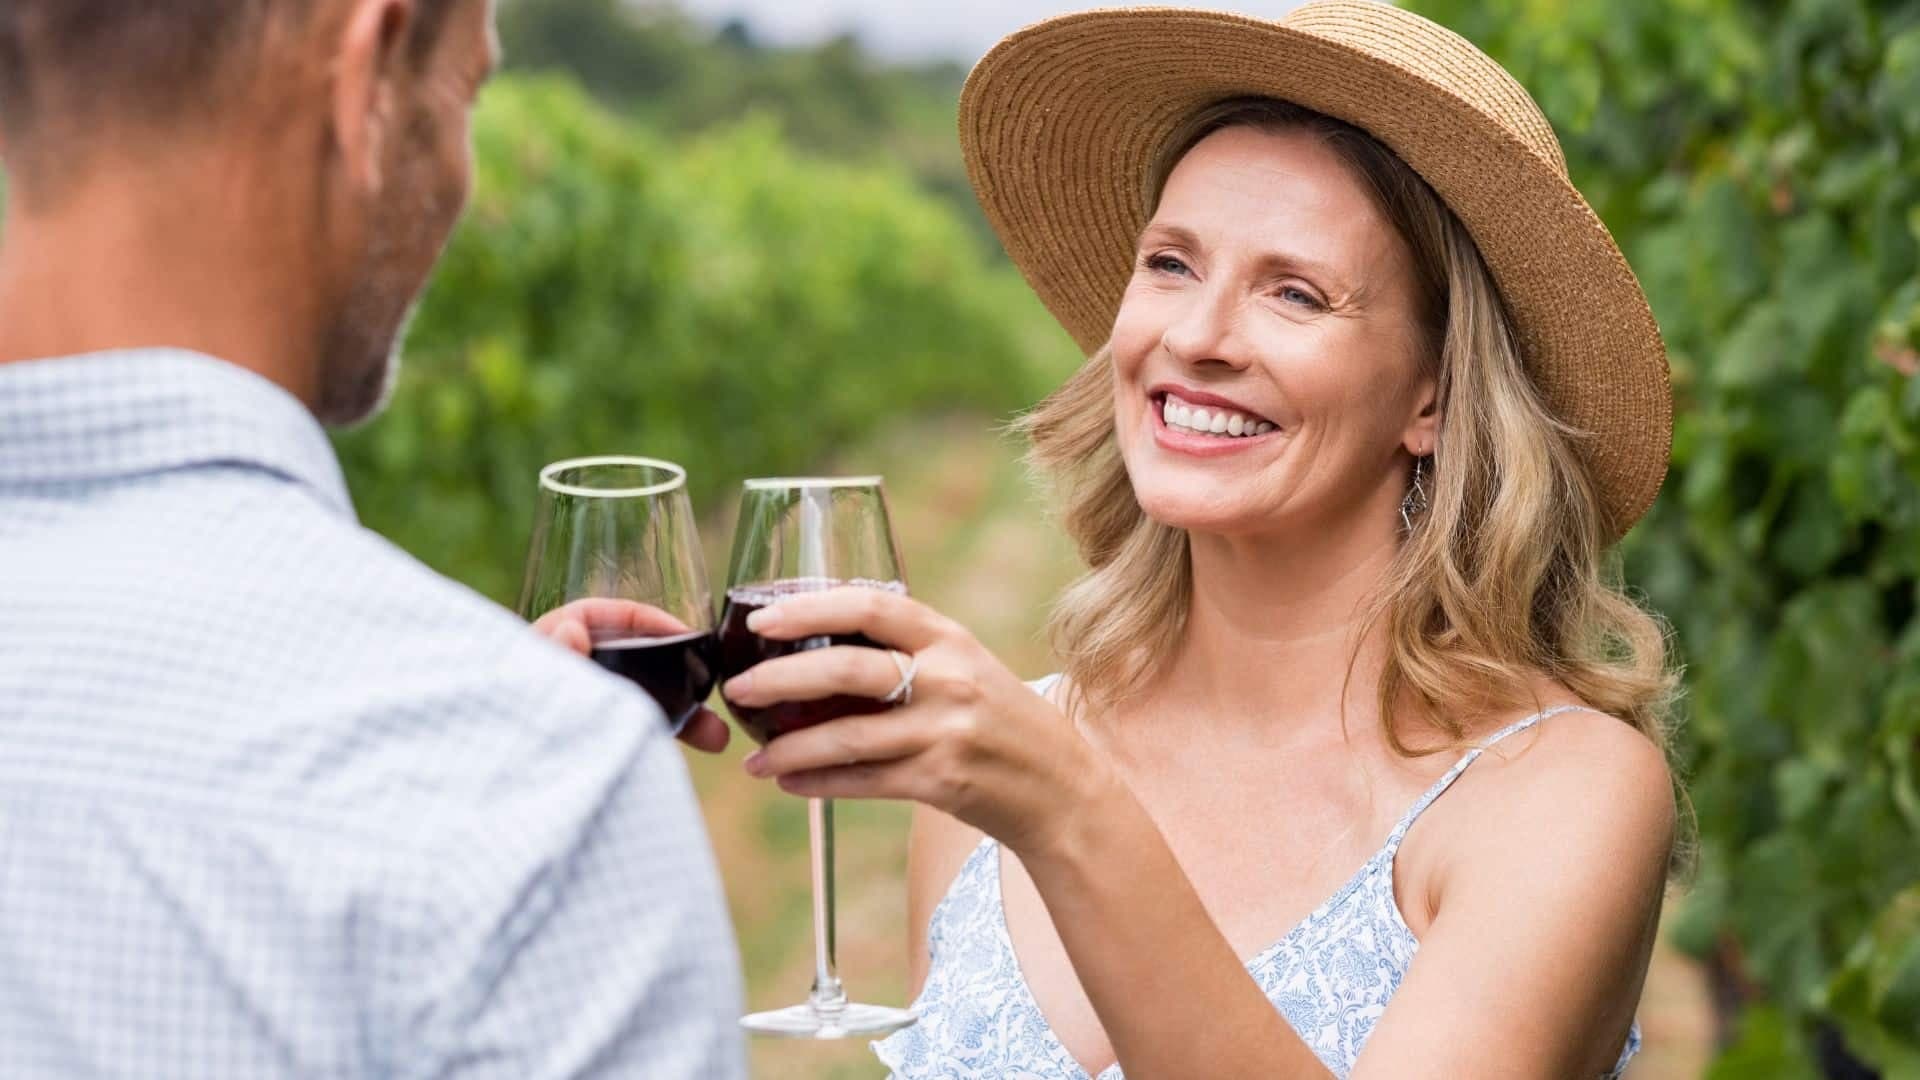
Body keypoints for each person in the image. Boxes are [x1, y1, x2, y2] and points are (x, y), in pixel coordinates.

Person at [724, 2, 1681, 1077]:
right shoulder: (983, 800)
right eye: (1171, 265)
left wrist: (1066, 810)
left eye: (1294, 292)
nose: (1196, 338)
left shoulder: (1555, 792)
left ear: (1433, 394)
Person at [0, 1, 743, 1076]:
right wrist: (485, 731)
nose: (459, 170)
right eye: (465, 94)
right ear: (369, 70)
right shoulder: (537, 810)